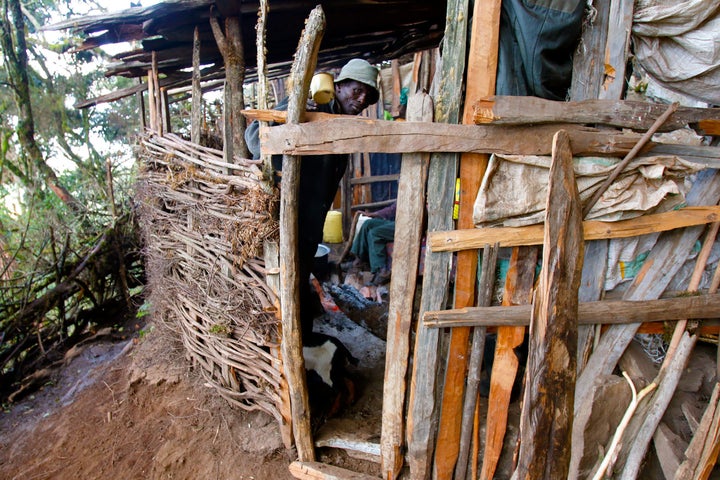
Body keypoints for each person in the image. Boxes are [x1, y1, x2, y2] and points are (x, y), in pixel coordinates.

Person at [245, 58, 380, 341]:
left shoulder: (344, 127)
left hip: (308, 228)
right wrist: (295, 114)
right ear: (338, 86)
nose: (362, 99)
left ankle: (302, 347)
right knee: (279, 291)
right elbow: (255, 137)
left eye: (368, 95)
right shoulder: (307, 108)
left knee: (298, 286)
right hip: (282, 222)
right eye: (356, 90)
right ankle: (286, 348)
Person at [349, 201, 396, 285]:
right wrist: (373, 214)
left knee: (375, 233)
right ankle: (360, 260)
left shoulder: (423, 196)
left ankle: (381, 270)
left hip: (408, 226)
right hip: (397, 222)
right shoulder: (406, 193)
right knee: (368, 224)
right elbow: (393, 209)